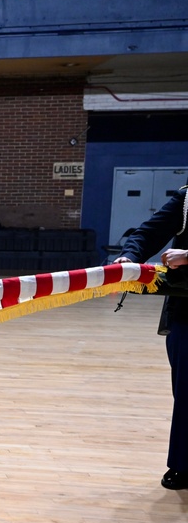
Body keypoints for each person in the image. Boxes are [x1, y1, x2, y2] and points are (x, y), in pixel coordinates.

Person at [113, 180, 188, 491]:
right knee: (185, 391)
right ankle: (184, 464)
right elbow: (145, 233)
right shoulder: (187, 198)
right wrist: (129, 257)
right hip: (187, 311)